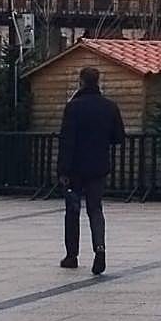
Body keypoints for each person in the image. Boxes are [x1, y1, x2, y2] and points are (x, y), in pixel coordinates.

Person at [57, 66, 125, 275]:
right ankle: (100, 249)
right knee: (95, 209)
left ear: (81, 82)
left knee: (73, 210)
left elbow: (66, 141)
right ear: (98, 82)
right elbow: (118, 137)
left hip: (75, 168)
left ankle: (72, 255)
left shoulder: (73, 107)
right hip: (99, 166)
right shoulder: (109, 107)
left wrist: (63, 170)